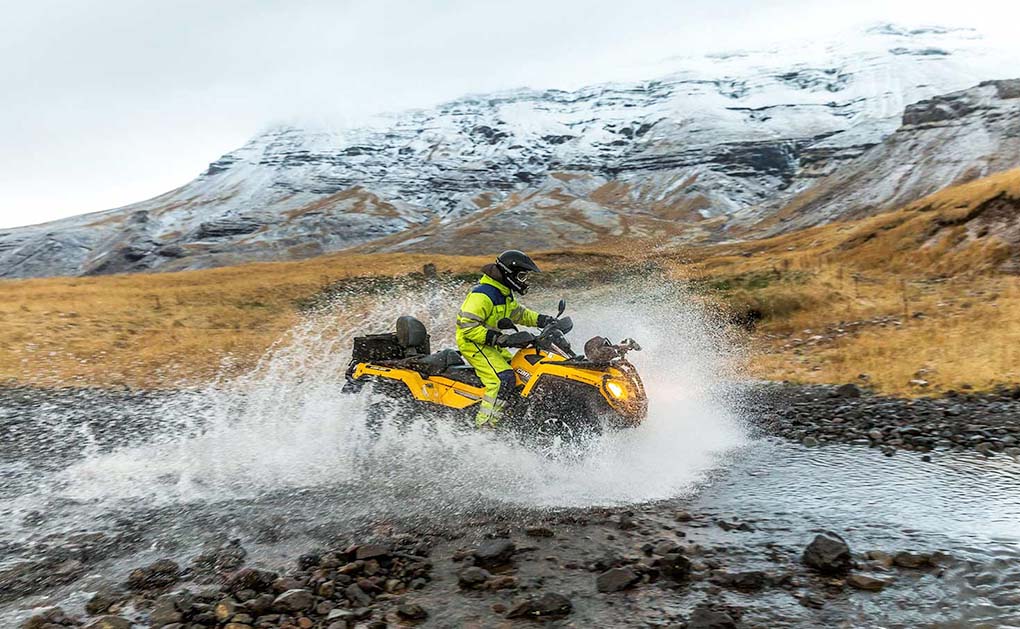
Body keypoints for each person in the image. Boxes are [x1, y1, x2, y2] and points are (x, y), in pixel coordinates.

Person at [456, 250, 556, 428]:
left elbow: (519, 314)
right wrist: (499, 339)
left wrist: (542, 319)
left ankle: (510, 416)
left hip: (490, 343)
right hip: (473, 344)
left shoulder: (503, 293)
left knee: (521, 370)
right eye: (522, 276)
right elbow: (467, 326)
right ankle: (485, 426)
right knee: (503, 378)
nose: (524, 281)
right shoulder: (483, 295)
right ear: (509, 273)